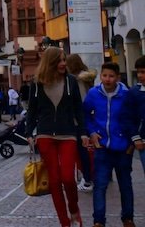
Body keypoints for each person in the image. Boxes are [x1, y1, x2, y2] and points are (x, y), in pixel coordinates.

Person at [26, 46, 89, 227]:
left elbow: (79, 110)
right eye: (59, 60)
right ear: (51, 63)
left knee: (68, 178)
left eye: (64, 60)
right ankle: (65, 222)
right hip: (45, 135)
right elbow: (32, 110)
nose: (63, 64)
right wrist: (29, 132)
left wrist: (83, 132)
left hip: (68, 134)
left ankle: (74, 209)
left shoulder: (71, 81)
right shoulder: (38, 82)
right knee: (54, 181)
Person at [83, 62, 136, 227]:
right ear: (101, 76)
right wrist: (91, 133)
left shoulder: (127, 95)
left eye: (111, 76)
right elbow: (85, 115)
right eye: (104, 75)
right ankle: (98, 221)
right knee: (100, 185)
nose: (107, 79)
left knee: (125, 185)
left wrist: (131, 142)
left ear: (118, 78)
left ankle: (127, 218)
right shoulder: (93, 94)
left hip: (123, 148)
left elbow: (134, 119)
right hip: (102, 147)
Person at [67, 53, 97, 192]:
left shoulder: (75, 79)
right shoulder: (87, 78)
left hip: (78, 117)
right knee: (87, 149)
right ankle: (90, 177)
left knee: (81, 150)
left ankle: (87, 179)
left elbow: (77, 99)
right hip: (89, 114)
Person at [131, 55, 145, 177]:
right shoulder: (135, 92)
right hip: (143, 142)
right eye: (138, 72)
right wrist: (136, 137)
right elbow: (129, 117)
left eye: (143, 72)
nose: (140, 75)